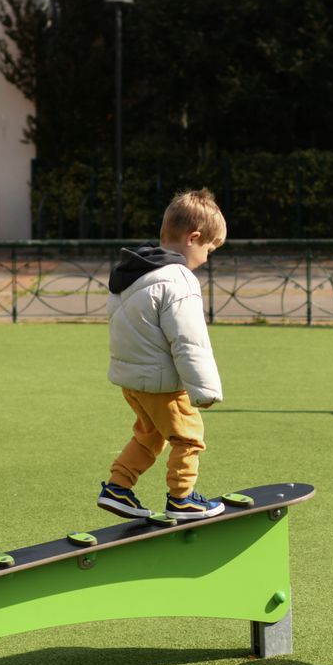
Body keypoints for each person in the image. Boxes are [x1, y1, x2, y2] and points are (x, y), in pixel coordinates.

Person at [97, 189, 228, 521]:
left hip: (133, 380)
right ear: (193, 238)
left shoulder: (134, 272)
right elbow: (189, 340)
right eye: (209, 249)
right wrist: (205, 389)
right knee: (188, 437)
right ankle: (182, 498)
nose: (208, 257)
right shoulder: (178, 279)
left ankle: (118, 487)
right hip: (162, 384)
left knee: (150, 435)